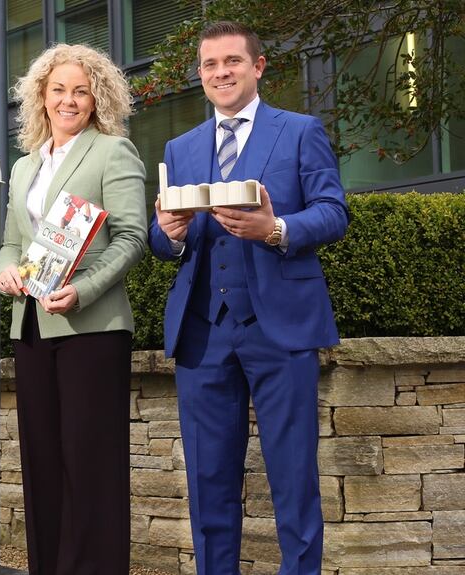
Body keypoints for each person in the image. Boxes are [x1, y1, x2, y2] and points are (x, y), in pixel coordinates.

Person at [149, 21, 349, 575]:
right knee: (208, 477)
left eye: (232, 61)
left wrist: (275, 228)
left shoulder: (300, 130)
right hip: (203, 329)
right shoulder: (180, 146)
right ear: (200, 75)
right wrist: (169, 232)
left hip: (280, 325)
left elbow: (334, 212)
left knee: (292, 473)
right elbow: (159, 239)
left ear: (257, 67)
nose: (221, 73)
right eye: (210, 65)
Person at [0, 43, 146, 574]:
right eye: (59, 89)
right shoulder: (22, 167)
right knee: (41, 462)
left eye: (81, 90)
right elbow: (13, 243)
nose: (69, 99)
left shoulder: (111, 151)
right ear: (41, 95)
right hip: (32, 325)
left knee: (90, 463)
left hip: (91, 328)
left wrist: (83, 290)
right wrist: (4, 272)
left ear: (97, 97)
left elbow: (131, 238)